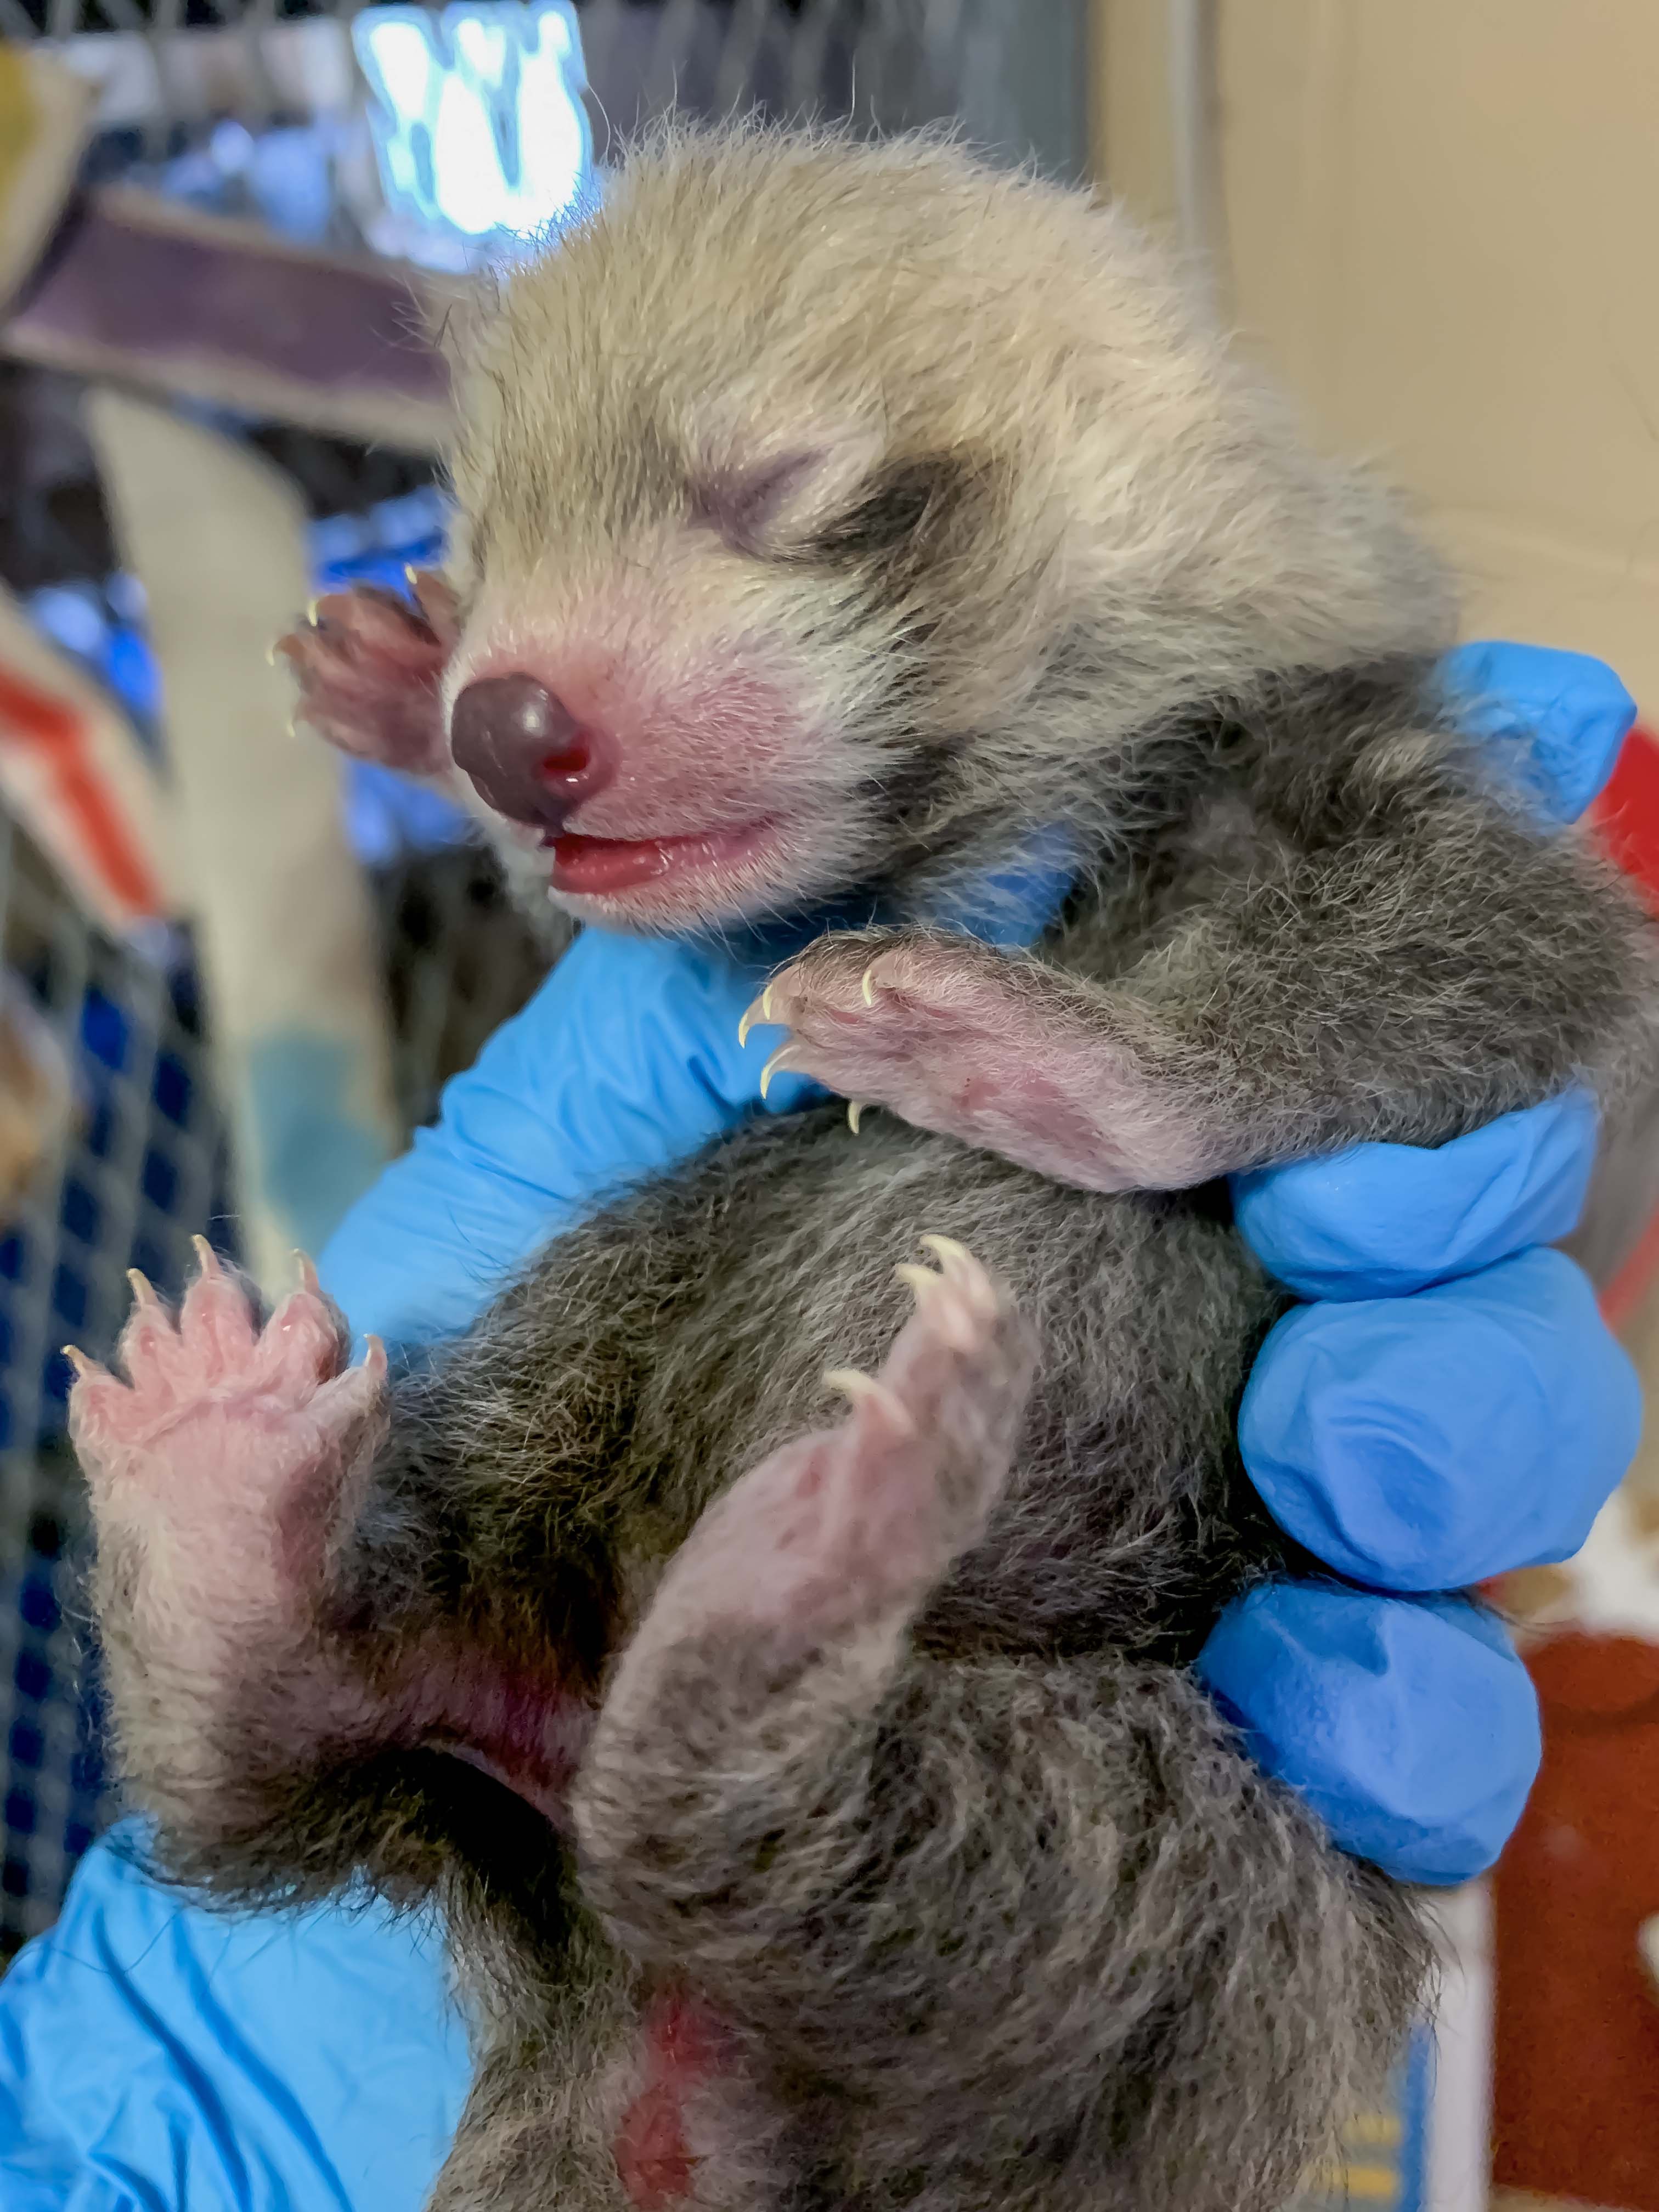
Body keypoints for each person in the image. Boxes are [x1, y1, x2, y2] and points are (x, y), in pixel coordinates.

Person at [0, 642, 1643, 2212]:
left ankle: (323, 1670)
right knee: (1179, 1984)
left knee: (388, 1709)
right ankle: (688, 1758)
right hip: (1022, 1742)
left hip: (568, 1589)